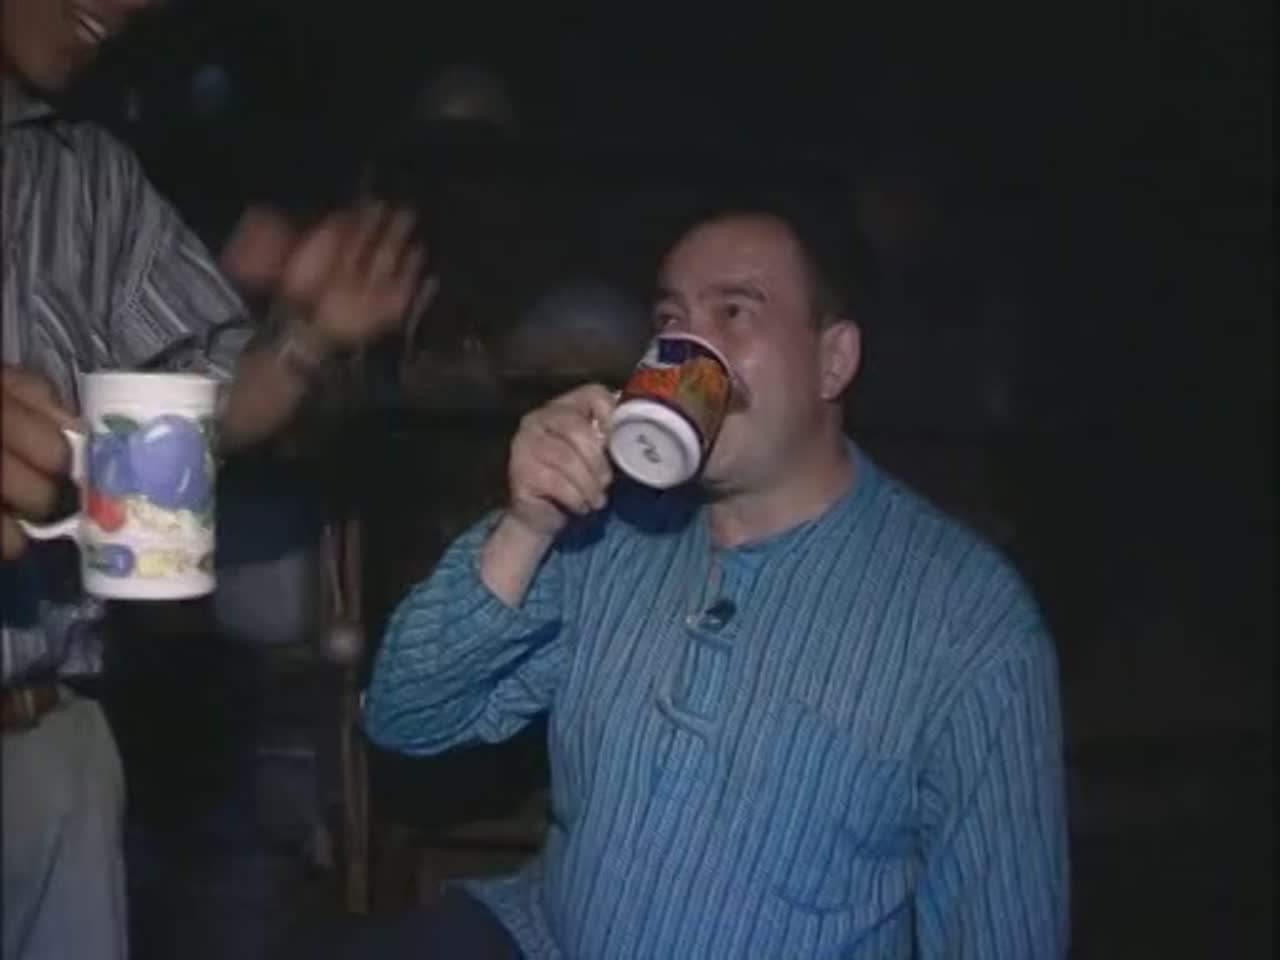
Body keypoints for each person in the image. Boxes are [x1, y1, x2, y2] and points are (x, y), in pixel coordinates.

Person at [358, 201, 1070, 958]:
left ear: (833, 360)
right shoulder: (604, 530)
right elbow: (407, 717)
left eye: (735, 312)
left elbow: (1002, 933)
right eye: (672, 322)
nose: (693, 349)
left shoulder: (967, 618)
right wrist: (526, 526)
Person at [1, 2, 429, 958]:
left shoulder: (91, 176)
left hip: (50, 745)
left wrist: (306, 337)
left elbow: (176, 427)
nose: (122, 12)